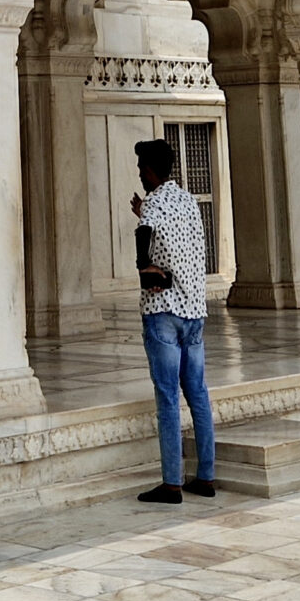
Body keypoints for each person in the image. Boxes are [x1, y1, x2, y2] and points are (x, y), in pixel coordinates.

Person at [129, 138, 216, 503]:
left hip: (163, 312)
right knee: (197, 394)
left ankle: (172, 483)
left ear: (150, 170)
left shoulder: (153, 205)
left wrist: (141, 263)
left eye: (140, 169)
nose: (139, 174)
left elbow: (145, 234)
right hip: (194, 312)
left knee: (167, 398)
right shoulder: (187, 201)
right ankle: (206, 477)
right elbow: (175, 238)